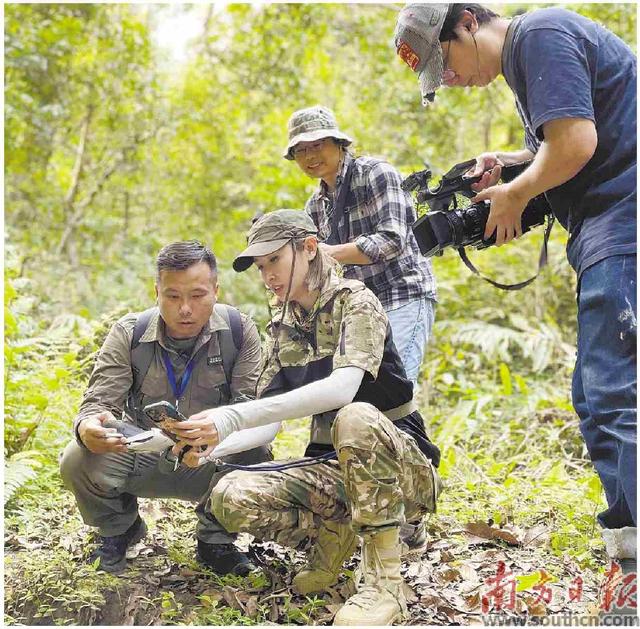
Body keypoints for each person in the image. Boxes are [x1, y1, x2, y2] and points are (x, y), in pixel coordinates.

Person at [394, 2, 637, 617]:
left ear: (468, 23)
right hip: (607, 224)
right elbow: (573, 139)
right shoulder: (531, 61)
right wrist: (510, 165)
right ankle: (629, 561)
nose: (448, 80)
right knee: (598, 393)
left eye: (443, 63)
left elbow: (578, 144)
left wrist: (519, 190)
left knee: (612, 393)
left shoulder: (541, 35)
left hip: (625, 218)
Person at [165, 210, 441, 626]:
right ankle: (338, 534)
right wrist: (209, 445)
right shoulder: (283, 325)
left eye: (273, 260)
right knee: (229, 493)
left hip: (403, 471)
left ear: (309, 248)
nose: (267, 275)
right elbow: (268, 422)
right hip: (334, 467)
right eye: (260, 267)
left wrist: (231, 415)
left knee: (355, 417)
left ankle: (385, 586)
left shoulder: (357, 301)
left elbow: (341, 390)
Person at [59, 240, 280, 576]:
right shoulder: (129, 333)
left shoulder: (239, 331)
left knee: (257, 450)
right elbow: (98, 402)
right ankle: (120, 529)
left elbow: (250, 408)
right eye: (173, 296)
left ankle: (215, 540)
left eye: (197, 295)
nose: (185, 308)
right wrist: (88, 426)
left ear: (216, 290)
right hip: (144, 453)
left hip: (212, 454)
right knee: (77, 456)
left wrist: (214, 433)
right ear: (156, 292)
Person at [284, 105, 437, 386]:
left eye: (317, 144)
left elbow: (392, 241)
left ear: (338, 143)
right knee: (363, 395)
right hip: (360, 308)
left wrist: (328, 254)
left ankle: (407, 432)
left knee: (397, 389)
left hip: (402, 294)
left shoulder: (375, 173)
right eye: (301, 150)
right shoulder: (315, 206)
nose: (310, 156)